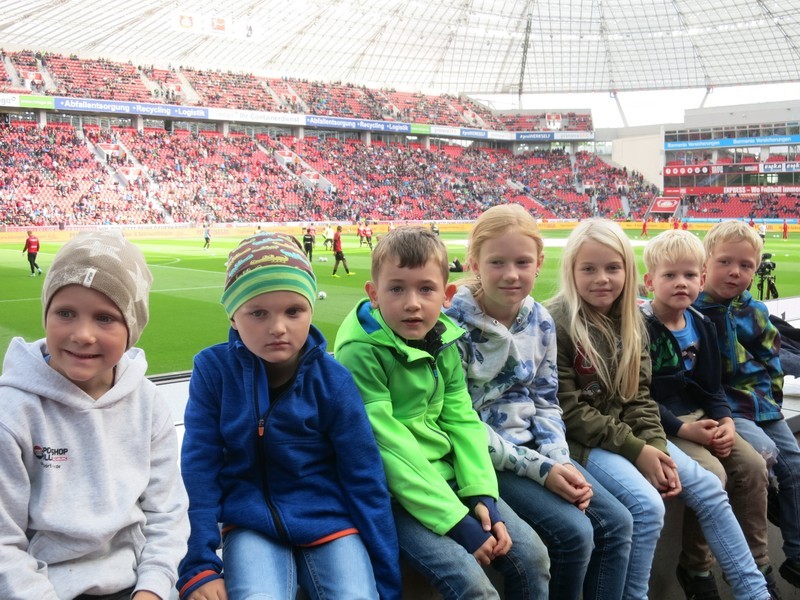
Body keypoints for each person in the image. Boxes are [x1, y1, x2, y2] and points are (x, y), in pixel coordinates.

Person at [546, 218, 770, 600]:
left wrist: (656, 446)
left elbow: (640, 397)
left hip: (629, 436)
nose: (603, 279)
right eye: (589, 269)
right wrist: (640, 450)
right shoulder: (558, 323)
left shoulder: (631, 321)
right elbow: (571, 412)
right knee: (648, 508)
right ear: (571, 271)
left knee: (709, 488)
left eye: (613, 268)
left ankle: (755, 592)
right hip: (585, 443)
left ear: (628, 272)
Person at [178, 233, 400, 600]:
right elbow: (199, 468)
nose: (278, 327)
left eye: (293, 311)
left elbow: (365, 479)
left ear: (311, 310)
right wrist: (199, 564)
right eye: (258, 313)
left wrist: (387, 586)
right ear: (232, 315)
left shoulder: (334, 381)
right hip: (249, 524)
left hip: (330, 522)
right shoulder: (213, 371)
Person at [334, 226, 550, 600]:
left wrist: (482, 494)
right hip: (392, 494)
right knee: (474, 587)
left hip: (445, 479)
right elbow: (387, 446)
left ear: (446, 296)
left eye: (426, 289)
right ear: (373, 294)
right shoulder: (361, 352)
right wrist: (456, 521)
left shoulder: (444, 339)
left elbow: (462, 420)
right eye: (396, 289)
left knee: (532, 557)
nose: (412, 303)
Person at [445, 205, 633, 599]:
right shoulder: (452, 328)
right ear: (474, 263)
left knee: (617, 524)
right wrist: (543, 470)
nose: (511, 274)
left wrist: (559, 459)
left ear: (539, 263)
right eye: (497, 262)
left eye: (522, 262)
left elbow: (546, 401)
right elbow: (462, 423)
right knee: (575, 534)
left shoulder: (540, 320)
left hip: (537, 452)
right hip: (484, 458)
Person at [0, 230, 190, 599]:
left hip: (137, 584)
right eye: (65, 313)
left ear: (132, 329)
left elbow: (167, 512)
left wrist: (152, 588)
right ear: (46, 314)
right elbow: (5, 544)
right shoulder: (13, 412)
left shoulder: (148, 403)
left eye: (105, 318)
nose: (83, 334)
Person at [642, 229, 778, 597]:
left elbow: (713, 386)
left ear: (701, 280)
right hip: (664, 422)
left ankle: (758, 562)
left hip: (703, 415)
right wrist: (683, 429)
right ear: (649, 281)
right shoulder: (642, 327)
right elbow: (640, 398)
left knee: (753, 466)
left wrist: (727, 421)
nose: (681, 283)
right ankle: (697, 567)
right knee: (713, 474)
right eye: (670, 275)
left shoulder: (701, 323)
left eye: (689, 275)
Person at [694, 219, 800, 589]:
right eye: (724, 262)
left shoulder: (753, 310)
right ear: (705, 264)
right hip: (727, 409)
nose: (735, 272)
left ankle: (796, 554)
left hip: (761, 404)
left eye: (745, 265)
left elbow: (772, 357)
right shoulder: (693, 310)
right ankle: (755, 558)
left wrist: (771, 397)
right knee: (763, 456)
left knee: (795, 464)